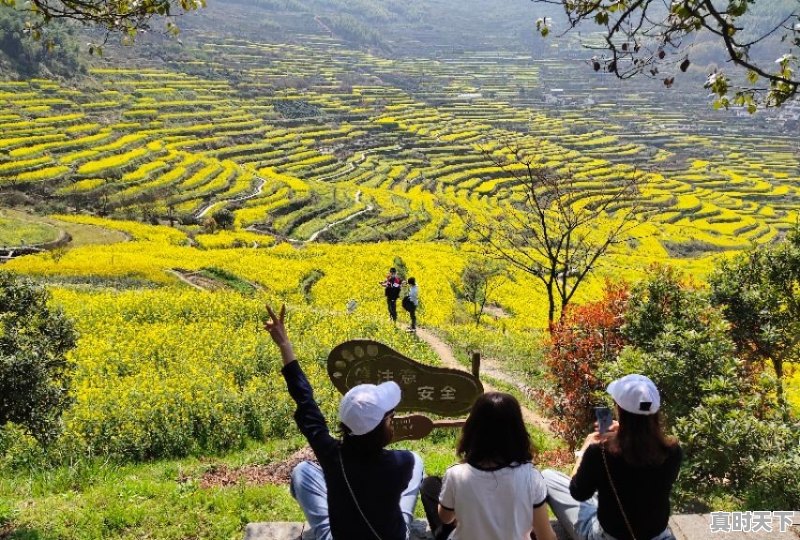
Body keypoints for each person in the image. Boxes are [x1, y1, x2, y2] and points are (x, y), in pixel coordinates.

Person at [263, 304, 423, 540]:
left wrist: (285, 346)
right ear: (382, 429)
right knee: (418, 460)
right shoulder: (402, 463)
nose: (394, 419)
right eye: (391, 417)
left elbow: (306, 402)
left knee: (302, 471)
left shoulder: (332, 455)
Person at [542, 374, 682, 540]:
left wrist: (584, 450)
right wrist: (626, 432)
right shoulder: (672, 451)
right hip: (658, 536)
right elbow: (640, 476)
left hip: (607, 536)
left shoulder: (599, 453)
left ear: (619, 409)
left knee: (548, 477)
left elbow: (578, 492)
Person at [420, 392, 557, 540]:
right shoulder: (531, 476)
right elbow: (546, 536)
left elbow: (445, 518)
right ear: (518, 431)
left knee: (430, 484)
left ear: (472, 429)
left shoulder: (456, 474)